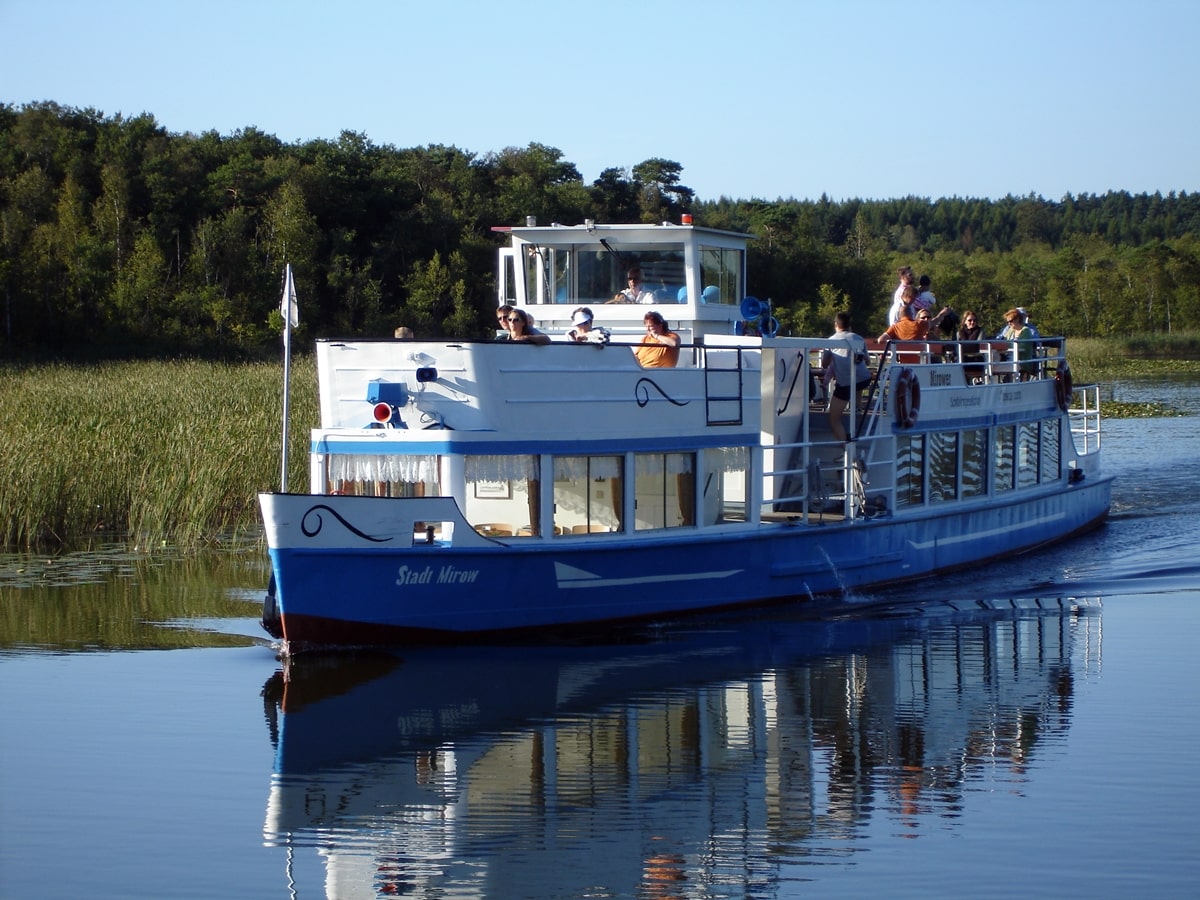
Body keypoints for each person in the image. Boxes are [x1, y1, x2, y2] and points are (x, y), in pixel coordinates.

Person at [821, 312, 872, 443]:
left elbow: (825, 364)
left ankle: (846, 449)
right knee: (857, 381)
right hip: (864, 379)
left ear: (835, 325)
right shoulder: (859, 338)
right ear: (849, 325)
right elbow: (868, 362)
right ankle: (857, 405)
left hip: (846, 384)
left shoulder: (831, 341)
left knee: (833, 419)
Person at [878, 305, 952, 342]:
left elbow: (881, 340)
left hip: (901, 363)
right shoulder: (919, 324)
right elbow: (935, 321)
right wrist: (943, 313)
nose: (926, 319)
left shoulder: (894, 327)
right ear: (912, 314)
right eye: (923, 318)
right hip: (919, 361)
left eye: (928, 317)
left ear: (899, 316)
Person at [1000, 308, 1036, 379]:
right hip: (1009, 359)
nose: (1009, 324)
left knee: (994, 366)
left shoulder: (1026, 331)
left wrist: (1006, 346)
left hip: (1021, 361)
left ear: (1017, 319)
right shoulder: (1011, 330)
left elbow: (1023, 347)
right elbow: (1004, 341)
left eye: (1011, 321)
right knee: (991, 365)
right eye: (1008, 322)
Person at [957, 309, 986, 383]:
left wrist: (963, 347)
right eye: (970, 320)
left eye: (974, 320)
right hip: (962, 360)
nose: (972, 322)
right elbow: (956, 346)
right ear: (965, 321)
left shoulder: (980, 331)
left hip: (976, 360)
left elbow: (977, 345)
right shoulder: (959, 333)